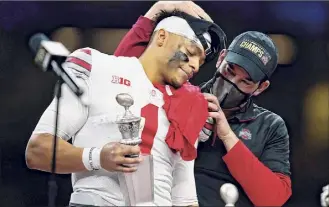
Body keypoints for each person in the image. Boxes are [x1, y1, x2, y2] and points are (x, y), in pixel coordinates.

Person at [25, 6, 227, 207]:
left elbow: (184, 195)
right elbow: (37, 150)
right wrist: (98, 157)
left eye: (201, 61)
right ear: (162, 37)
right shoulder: (98, 67)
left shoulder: (188, 104)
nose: (195, 65)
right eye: (191, 52)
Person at [114, 1, 292, 206]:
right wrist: (157, 10)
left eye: (245, 81)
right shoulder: (181, 93)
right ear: (221, 58)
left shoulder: (270, 126)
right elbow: (123, 78)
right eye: (230, 70)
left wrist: (227, 135)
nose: (231, 83)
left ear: (261, 87)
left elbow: (274, 198)